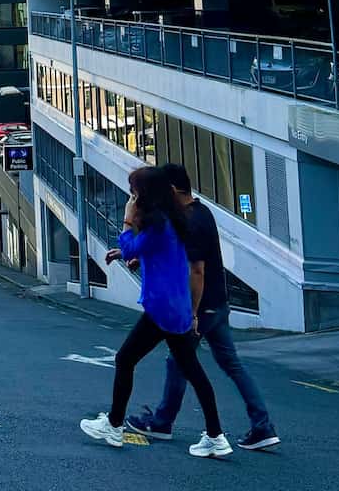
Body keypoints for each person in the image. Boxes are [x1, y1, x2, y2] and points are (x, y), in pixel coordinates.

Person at [79, 166, 232, 458]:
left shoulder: (159, 224)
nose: (132, 196)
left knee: (125, 358)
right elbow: (151, 252)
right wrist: (138, 257)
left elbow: (130, 244)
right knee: (194, 373)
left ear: (144, 195)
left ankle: (113, 425)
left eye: (134, 192)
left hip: (160, 308)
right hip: (178, 307)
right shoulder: (172, 219)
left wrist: (126, 219)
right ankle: (215, 435)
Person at [126, 163, 280, 451]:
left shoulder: (190, 221)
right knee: (229, 363)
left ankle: (163, 421)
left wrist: (192, 314)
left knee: (179, 361)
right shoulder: (202, 210)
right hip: (219, 303)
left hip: (201, 305)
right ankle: (262, 425)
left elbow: (196, 271)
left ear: (172, 190)